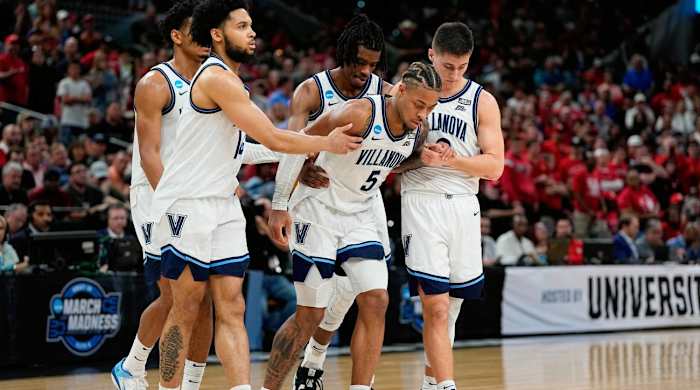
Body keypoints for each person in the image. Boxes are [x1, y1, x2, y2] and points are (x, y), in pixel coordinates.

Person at [152, 1, 360, 389]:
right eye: (242, 25)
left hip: (225, 207)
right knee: (186, 309)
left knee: (233, 306)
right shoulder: (215, 78)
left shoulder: (233, 83)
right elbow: (272, 136)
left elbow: (245, 148)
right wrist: (322, 139)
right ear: (217, 34)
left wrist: (312, 141)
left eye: (251, 25)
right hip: (188, 205)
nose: (252, 33)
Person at [265, 62, 443, 390]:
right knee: (310, 315)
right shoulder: (358, 113)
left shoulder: (418, 129)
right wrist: (279, 205)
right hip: (317, 209)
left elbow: (393, 158)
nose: (424, 114)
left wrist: (425, 158)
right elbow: (296, 142)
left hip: (358, 213)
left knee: (376, 299)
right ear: (400, 90)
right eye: (420, 104)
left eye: (430, 107)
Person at [279, 14, 393, 389]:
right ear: (343, 55)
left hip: (363, 201)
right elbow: (289, 144)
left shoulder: (385, 91)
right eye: (359, 62)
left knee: (364, 290)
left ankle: (317, 359)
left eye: (372, 65)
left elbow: (416, 114)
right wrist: (298, 173)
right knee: (317, 300)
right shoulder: (311, 92)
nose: (365, 72)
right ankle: (299, 365)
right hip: (319, 197)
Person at [111, 2, 214, 389]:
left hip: (200, 196)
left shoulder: (212, 81)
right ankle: (133, 365)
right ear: (176, 35)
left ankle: (187, 385)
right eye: (197, 30)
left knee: (202, 300)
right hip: (158, 196)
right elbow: (150, 155)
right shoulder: (155, 84)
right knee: (175, 294)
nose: (206, 37)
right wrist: (174, 202)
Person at [397, 22, 503, 390]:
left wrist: (454, 161)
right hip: (421, 201)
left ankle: (431, 382)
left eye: (461, 67)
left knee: (452, 307)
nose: (453, 74)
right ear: (431, 55)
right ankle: (446, 385)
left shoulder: (481, 100)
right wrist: (421, 158)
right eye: (446, 67)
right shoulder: (407, 91)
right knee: (436, 306)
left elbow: (495, 167)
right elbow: (387, 157)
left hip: (463, 205)